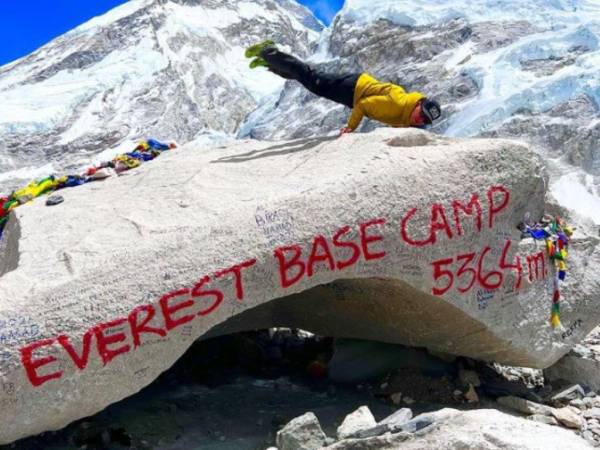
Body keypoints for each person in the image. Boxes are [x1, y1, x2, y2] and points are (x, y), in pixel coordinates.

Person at [245, 40, 442, 135]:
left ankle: (269, 63)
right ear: (419, 104)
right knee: (311, 77)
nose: (420, 120)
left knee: (310, 80)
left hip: (354, 87)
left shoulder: (408, 112)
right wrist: (351, 127)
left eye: (424, 120)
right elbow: (364, 105)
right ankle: (269, 52)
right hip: (353, 90)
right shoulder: (398, 105)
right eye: (422, 114)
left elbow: (411, 127)